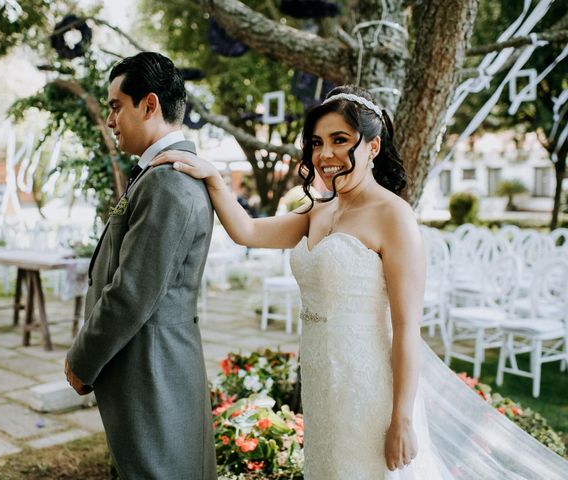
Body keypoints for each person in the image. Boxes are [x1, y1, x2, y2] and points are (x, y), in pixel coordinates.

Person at [152, 86, 568, 479]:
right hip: (321, 381)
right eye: (317, 142)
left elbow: (407, 328)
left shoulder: (394, 216)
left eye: (339, 139)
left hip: (370, 389)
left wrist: (401, 419)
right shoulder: (319, 209)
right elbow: (247, 231)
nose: (325, 153)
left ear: (373, 146)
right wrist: (212, 177)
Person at [64, 52, 217, 480]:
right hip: (148, 364)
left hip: (154, 371)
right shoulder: (160, 174)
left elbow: (132, 292)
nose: (110, 119)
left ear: (149, 105)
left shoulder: (168, 181)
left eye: (116, 106)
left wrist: (81, 359)